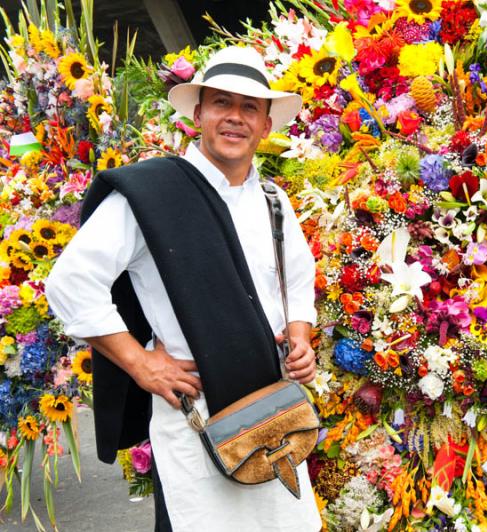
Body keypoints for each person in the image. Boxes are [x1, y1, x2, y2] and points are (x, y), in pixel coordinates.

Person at [45, 46, 322, 531]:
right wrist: (140, 363)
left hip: (275, 407)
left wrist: (300, 336)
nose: (234, 118)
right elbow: (70, 283)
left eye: (249, 107)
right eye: (221, 103)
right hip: (196, 412)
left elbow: (295, 281)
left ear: (266, 126)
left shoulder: (274, 202)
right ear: (198, 114)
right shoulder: (152, 195)